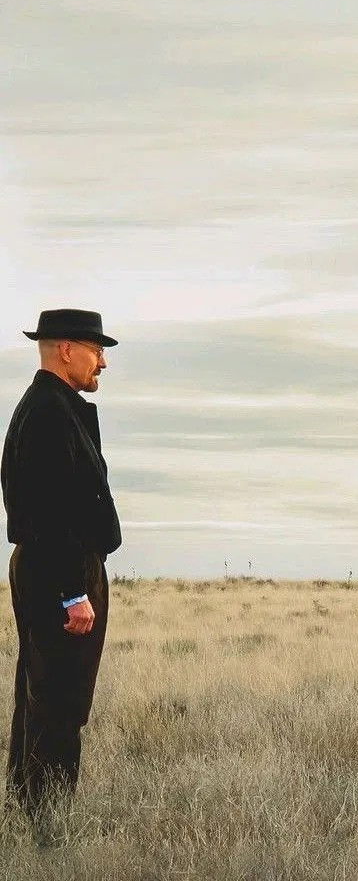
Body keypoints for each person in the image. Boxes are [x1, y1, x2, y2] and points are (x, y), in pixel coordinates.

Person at [2, 309, 122, 834]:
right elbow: (48, 512)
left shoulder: (53, 406)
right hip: (60, 569)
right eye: (97, 351)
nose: (103, 363)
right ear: (67, 349)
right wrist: (73, 592)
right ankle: (47, 825)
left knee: (42, 694)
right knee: (60, 701)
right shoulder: (49, 412)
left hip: (56, 565)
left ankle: (28, 811)